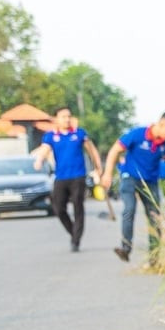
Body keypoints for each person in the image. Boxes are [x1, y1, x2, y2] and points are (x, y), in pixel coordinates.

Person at [99, 112, 165, 265]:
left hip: (151, 182)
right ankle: (125, 248)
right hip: (130, 178)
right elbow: (115, 150)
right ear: (161, 124)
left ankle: (154, 258)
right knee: (129, 209)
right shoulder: (137, 134)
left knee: (155, 218)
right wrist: (107, 174)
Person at [33, 107, 103, 252]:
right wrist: (39, 160)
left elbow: (91, 150)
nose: (66, 119)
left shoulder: (79, 134)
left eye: (68, 116)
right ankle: (74, 232)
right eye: (63, 117)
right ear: (56, 119)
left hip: (78, 176)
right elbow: (44, 149)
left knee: (78, 206)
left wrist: (98, 166)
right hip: (61, 177)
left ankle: (76, 241)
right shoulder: (51, 136)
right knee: (58, 207)